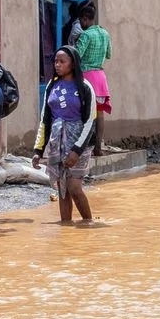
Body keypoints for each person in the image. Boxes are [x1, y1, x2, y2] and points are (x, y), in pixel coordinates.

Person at [33, 45, 98, 224]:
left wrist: (77, 150)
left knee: (74, 187)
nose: (57, 65)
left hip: (79, 142)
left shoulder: (85, 87)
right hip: (57, 141)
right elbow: (45, 119)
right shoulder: (52, 86)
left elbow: (91, 121)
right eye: (56, 61)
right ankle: (66, 228)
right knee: (63, 190)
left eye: (62, 61)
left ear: (73, 64)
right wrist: (38, 150)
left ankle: (88, 223)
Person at [75, 2, 113, 134]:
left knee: (85, 112)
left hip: (86, 76)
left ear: (85, 19)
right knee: (99, 113)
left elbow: (76, 55)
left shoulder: (86, 35)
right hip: (100, 77)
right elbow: (109, 54)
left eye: (81, 21)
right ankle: (98, 147)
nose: (80, 25)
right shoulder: (105, 34)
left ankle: (83, 146)